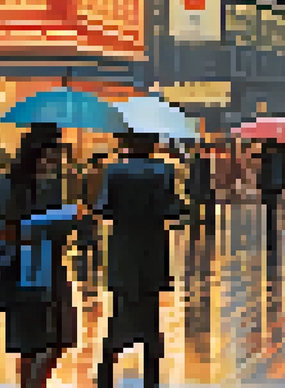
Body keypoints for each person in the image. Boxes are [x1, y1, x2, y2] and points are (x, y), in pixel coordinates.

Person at [0, 122, 83, 388]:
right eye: (49, 155)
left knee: (58, 338)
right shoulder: (10, 185)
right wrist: (21, 233)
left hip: (51, 270)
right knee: (30, 345)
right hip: (22, 271)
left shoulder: (54, 185)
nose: (52, 162)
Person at [95, 132, 182, 388]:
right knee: (150, 310)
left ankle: (108, 364)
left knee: (120, 308)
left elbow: (103, 209)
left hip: (123, 248)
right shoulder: (164, 171)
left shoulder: (114, 172)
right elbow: (172, 209)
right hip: (153, 248)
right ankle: (151, 371)